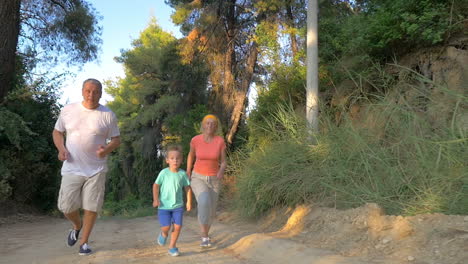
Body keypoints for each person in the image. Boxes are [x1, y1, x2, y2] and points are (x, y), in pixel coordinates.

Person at [52, 78, 120, 256]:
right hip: (72, 167)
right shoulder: (68, 110)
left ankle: (84, 243)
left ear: (101, 93)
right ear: (82, 91)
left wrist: (106, 150)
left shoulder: (108, 115)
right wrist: (61, 149)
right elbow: (57, 132)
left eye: (96, 91)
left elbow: (116, 140)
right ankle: (77, 225)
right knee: (66, 207)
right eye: (88, 91)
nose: (92, 95)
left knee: (91, 207)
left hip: (96, 169)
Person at [186, 114, 227, 248]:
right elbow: (191, 155)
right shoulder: (195, 140)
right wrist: (188, 171)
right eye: (207, 123)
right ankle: (204, 235)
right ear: (203, 125)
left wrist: (221, 171)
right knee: (204, 202)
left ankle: (206, 234)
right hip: (198, 177)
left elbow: (224, 161)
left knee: (211, 210)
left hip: (214, 179)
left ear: (216, 127)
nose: (210, 126)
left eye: (213, 124)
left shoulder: (220, 141)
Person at [153, 144, 192, 257]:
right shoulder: (163, 173)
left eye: (177, 158)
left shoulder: (182, 174)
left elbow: (187, 188)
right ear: (167, 160)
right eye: (172, 158)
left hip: (178, 206)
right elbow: (155, 186)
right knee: (166, 227)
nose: (175, 160)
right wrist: (156, 199)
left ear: (181, 160)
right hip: (164, 206)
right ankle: (164, 234)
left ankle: (172, 247)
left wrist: (189, 201)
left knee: (177, 227)